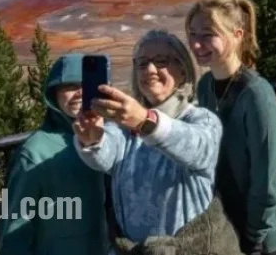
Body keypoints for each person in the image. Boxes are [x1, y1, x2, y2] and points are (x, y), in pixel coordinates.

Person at [72, 29, 240, 255]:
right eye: (142, 63)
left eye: (161, 61)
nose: (150, 69)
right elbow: (106, 156)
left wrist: (145, 121)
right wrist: (92, 139)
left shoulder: (201, 119)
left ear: (182, 70)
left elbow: (197, 148)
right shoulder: (125, 126)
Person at [185, 0, 276, 255]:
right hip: (228, 226)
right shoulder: (206, 88)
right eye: (192, 34)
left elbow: (267, 178)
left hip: (265, 236)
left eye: (207, 34)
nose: (196, 44)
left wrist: (253, 237)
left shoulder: (257, 95)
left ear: (237, 35)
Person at [0, 53, 109, 255]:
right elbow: (14, 228)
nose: (79, 93)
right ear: (54, 94)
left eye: (86, 85)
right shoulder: (35, 152)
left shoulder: (111, 139)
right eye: (69, 86)